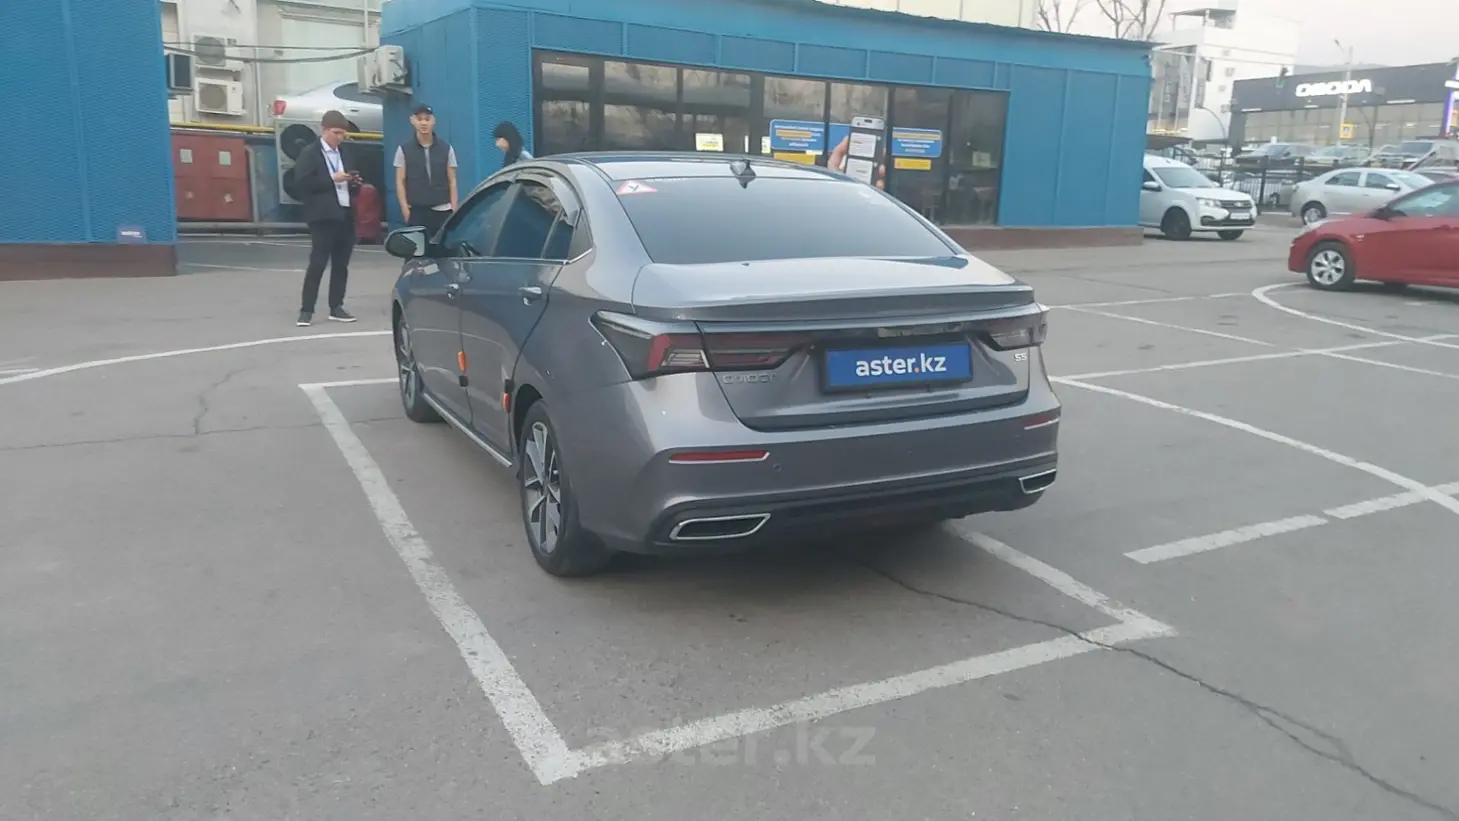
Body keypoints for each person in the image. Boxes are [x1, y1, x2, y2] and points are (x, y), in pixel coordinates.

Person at [292, 110, 360, 326]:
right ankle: (306, 310)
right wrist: (333, 179)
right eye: (336, 132)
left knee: (341, 263)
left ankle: (336, 306)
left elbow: (350, 178)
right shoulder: (310, 153)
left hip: (345, 211)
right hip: (322, 215)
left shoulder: (346, 152)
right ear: (324, 130)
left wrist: (354, 183)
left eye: (342, 134)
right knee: (318, 262)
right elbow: (302, 183)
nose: (339, 137)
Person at [394, 103, 458, 239]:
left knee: (442, 248)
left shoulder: (446, 148)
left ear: (433, 121)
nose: (423, 123)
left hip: (443, 210)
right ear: (412, 120)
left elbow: (452, 180)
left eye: (427, 119)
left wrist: (453, 207)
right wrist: (405, 209)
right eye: (419, 119)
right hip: (416, 211)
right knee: (417, 249)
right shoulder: (404, 149)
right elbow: (400, 181)